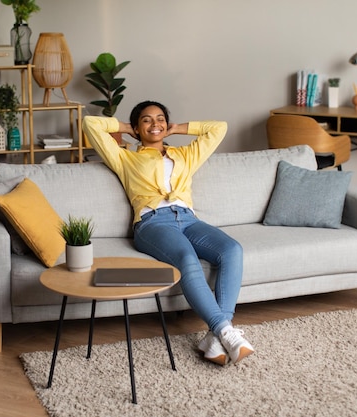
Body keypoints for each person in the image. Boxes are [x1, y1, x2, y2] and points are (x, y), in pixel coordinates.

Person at [83, 101, 254, 365]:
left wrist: (177, 128)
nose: (155, 124)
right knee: (187, 258)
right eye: (147, 120)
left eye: (160, 119)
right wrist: (127, 127)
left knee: (232, 250)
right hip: (153, 224)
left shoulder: (186, 154)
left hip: (188, 219)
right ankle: (226, 331)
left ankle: (215, 334)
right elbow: (90, 123)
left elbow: (219, 128)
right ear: (137, 128)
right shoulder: (125, 157)